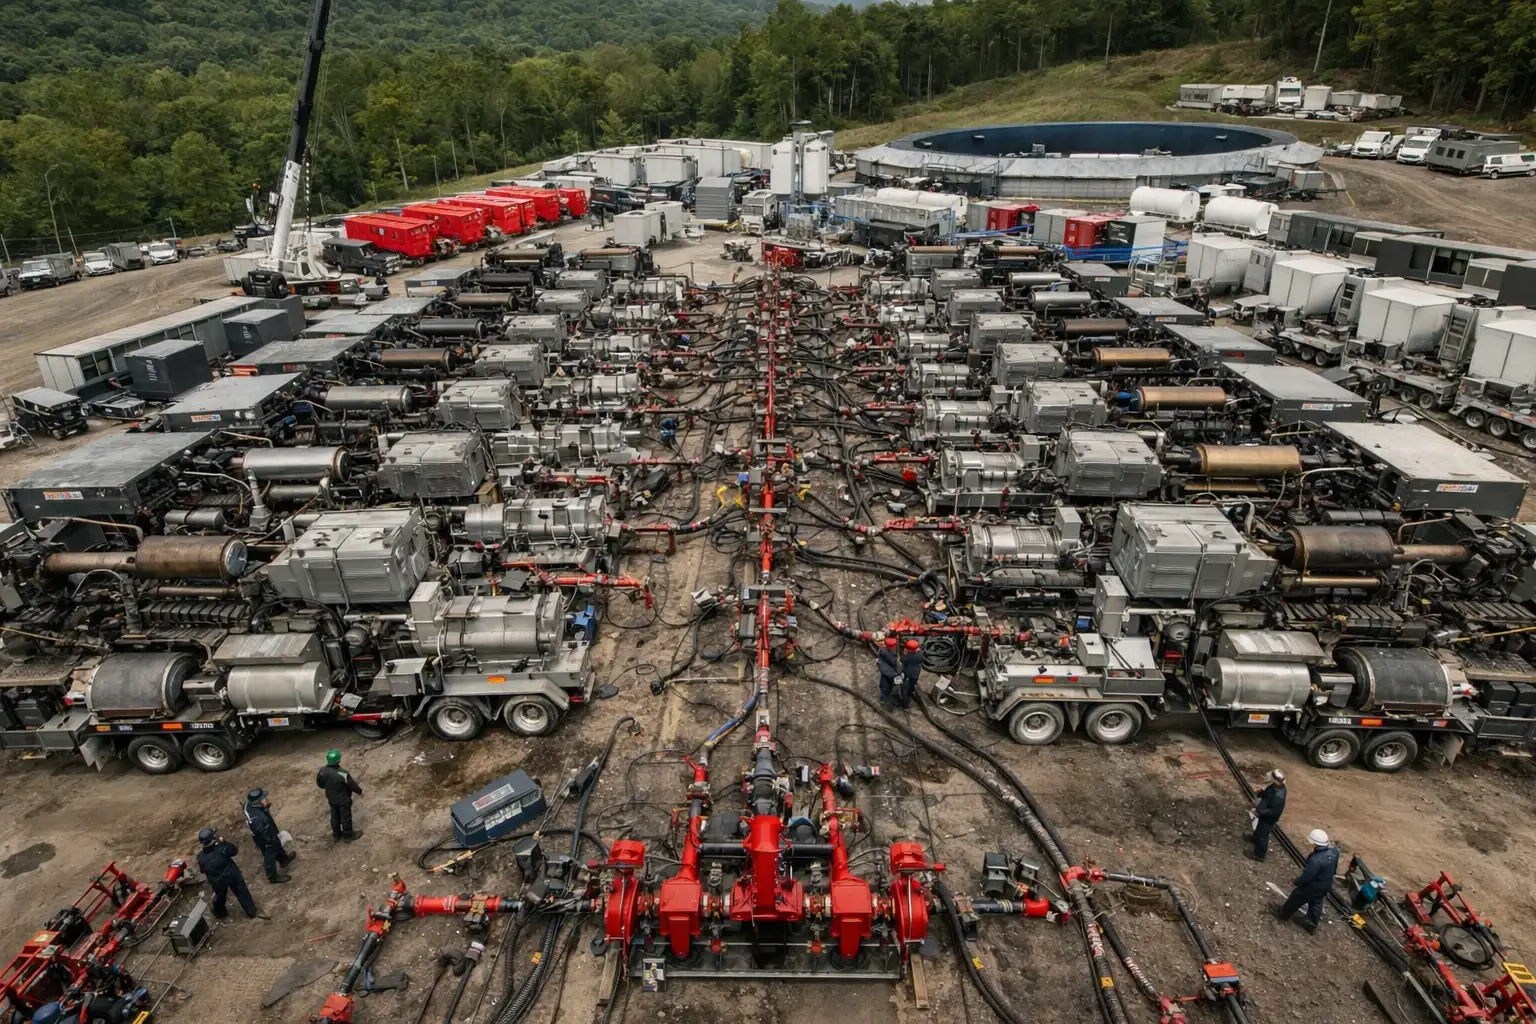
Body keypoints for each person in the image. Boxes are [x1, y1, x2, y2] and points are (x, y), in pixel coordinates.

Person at [196, 827, 268, 920]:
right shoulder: (222, 848)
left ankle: (220, 913)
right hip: (231, 874)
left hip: (217, 881)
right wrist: (224, 842)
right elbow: (234, 851)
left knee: (220, 897)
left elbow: (203, 870)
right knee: (242, 892)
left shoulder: (200, 857)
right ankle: (252, 911)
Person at [1277, 829, 1338, 932]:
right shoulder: (1334, 852)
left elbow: (1307, 876)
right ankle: (1311, 923)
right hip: (1326, 884)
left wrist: (1297, 881)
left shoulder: (1316, 860)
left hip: (1313, 885)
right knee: (1316, 902)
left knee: (1296, 897)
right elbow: (1334, 868)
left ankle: (1283, 914)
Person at [244, 788, 294, 884]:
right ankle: (272, 876)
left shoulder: (250, 805)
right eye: (264, 798)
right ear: (258, 802)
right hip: (264, 836)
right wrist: (269, 841)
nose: (266, 798)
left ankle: (283, 859)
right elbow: (260, 832)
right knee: (269, 854)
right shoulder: (257, 819)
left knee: (277, 842)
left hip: (268, 828)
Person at [316, 749, 364, 841]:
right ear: (338, 760)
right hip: (343, 799)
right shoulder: (343, 773)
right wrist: (360, 792)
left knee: (334, 816)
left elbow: (320, 784)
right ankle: (348, 836)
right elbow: (352, 785)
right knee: (345, 817)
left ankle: (336, 835)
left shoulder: (322, 771)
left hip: (331, 798)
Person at [1248, 769, 1287, 862]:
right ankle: (1254, 838)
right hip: (1263, 813)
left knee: (1263, 835)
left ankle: (1259, 855)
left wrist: (1259, 812)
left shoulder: (1279, 797)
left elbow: (1273, 812)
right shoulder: (1275, 787)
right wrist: (1260, 792)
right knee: (1259, 828)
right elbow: (1267, 794)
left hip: (1268, 818)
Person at [899, 639, 924, 710]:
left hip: (908, 675)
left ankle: (905, 706)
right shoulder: (920, 653)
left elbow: (903, 660)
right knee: (911, 686)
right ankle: (910, 694)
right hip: (916, 673)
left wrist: (904, 653)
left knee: (904, 690)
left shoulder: (909, 656)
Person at [877, 637, 901, 705]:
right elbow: (896, 665)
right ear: (892, 646)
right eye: (894, 645)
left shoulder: (882, 650)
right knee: (885, 687)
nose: (895, 646)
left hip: (886, 672)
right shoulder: (890, 656)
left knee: (885, 686)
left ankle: (883, 698)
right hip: (889, 673)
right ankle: (883, 699)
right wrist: (898, 672)